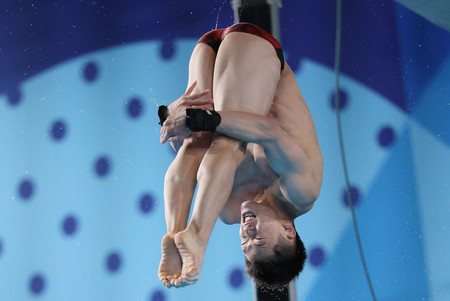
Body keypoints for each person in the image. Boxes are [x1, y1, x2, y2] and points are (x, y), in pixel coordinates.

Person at [157, 23, 323, 289]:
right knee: (227, 142)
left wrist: (171, 117)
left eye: (244, 244)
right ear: (288, 231)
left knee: (195, 147)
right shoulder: (300, 192)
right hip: (252, 46)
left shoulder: (227, 210)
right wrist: (196, 118)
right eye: (258, 240)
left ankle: (176, 233)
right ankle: (198, 237)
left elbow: (189, 150)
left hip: (208, 51)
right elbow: (267, 131)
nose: (247, 233)